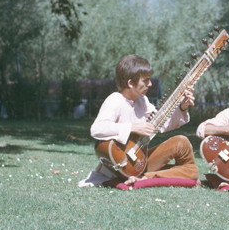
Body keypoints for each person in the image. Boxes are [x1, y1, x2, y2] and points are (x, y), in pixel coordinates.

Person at [79, 54, 198, 188]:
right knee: (188, 173)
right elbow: (97, 129)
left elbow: (162, 124)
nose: (150, 84)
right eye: (145, 80)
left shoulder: (142, 101)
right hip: (122, 166)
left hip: (139, 160)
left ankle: (144, 178)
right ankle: (147, 177)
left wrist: (182, 107)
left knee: (183, 147)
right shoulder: (115, 100)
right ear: (130, 83)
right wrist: (132, 127)